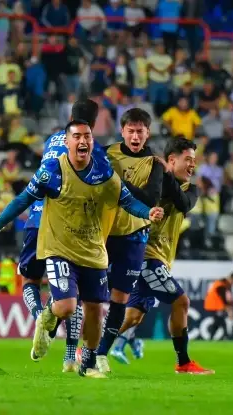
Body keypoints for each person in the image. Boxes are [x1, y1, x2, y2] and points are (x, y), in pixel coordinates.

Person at [0, 120, 164, 378]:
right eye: (77, 137)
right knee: (65, 307)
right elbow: (22, 200)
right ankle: (46, 316)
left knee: (96, 312)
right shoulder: (52, 171)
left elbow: (127, 201)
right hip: (59, 248)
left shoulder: (104, 172)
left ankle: (86, 366)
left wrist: (148, 213)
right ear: (67, 143)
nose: (83, 141)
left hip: (93, 250)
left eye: (87, 136)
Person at [113, 137, 214, 374]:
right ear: (172, 159)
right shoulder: (153, 181)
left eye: (194, 160)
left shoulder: (190, 189)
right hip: (147, 256)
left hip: (161, 258)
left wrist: (165, 173)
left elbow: (183, 204)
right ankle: (183, 362)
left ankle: (87, 346)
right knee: (181, 301)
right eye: (188, 159)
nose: (193, 165)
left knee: (133, 317)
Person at [18, 99, 105, 372]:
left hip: (36, 217)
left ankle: (40, 319)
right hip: (67, 223)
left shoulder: (53, 140)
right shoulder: (91, 149)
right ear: (91, 125)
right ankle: (69, 356)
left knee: (31, 279)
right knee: (74, 292)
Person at [95, 107, 164, 372]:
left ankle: (102, 352)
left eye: (140, 131)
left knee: (120, 298)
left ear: (148, 133)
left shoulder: (155, 164)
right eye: (131, 131)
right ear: (122, 131)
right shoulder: (104, 153)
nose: (135, 136)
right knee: (89, 294)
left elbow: (150, 199)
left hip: (135, 236)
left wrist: (116, 182)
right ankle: (81, 348)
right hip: (103, 233)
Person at [203, 272, 233, 339]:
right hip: (214, 305)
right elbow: (223, 296)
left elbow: (228, 297)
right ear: (231, 278)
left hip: (217, 305)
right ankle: (226, 335)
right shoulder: (221, 284)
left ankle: (211, 338)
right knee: (221, 320)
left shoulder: (225, 284)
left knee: (217, 321)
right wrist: (228, 307)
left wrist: (230, 306)